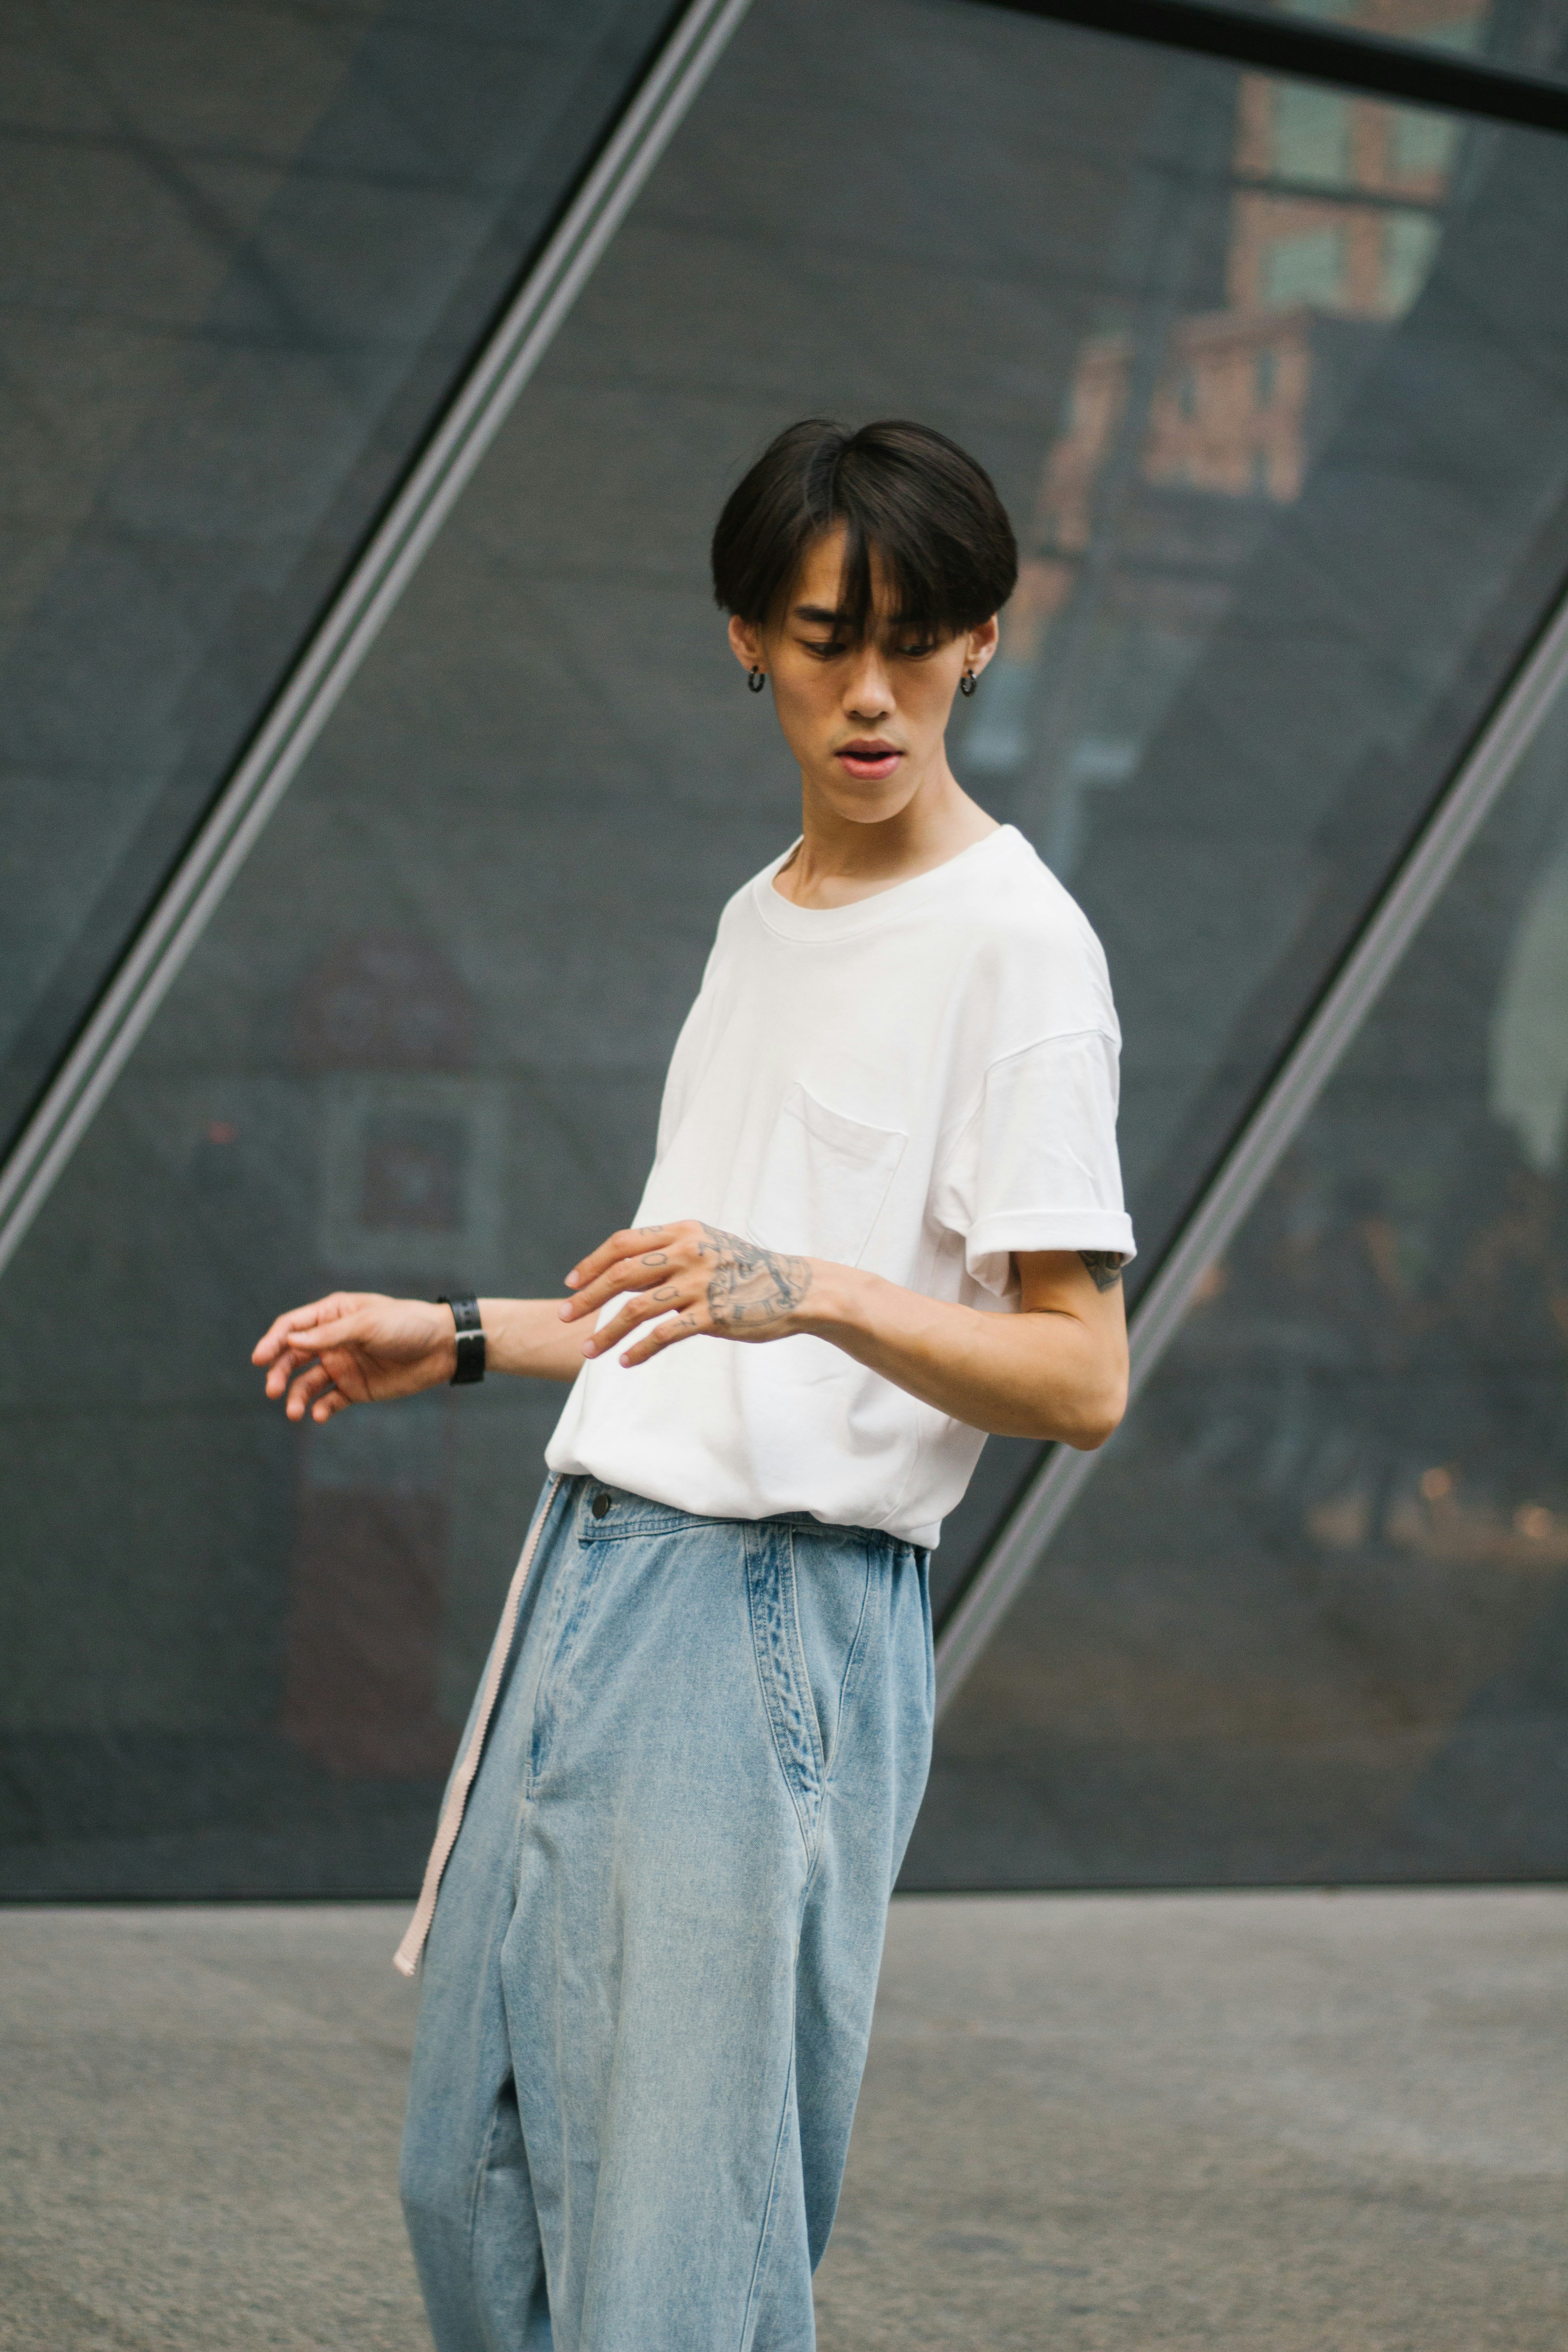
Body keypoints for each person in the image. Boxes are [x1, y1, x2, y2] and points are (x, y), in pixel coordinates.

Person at [252, 417, 1135, 2352]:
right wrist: (458, 1332)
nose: (874, 690)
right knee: (476, 2181)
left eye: (918, 640)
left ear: (985, 641)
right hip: (596, 1573)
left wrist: (811, 1289)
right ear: (748, 638)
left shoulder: (1018, 953)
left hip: (769, 1618)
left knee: (669, 2260)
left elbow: (1082, 1375)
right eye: (827, 638)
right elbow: (692, 1301)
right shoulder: (763, 916)